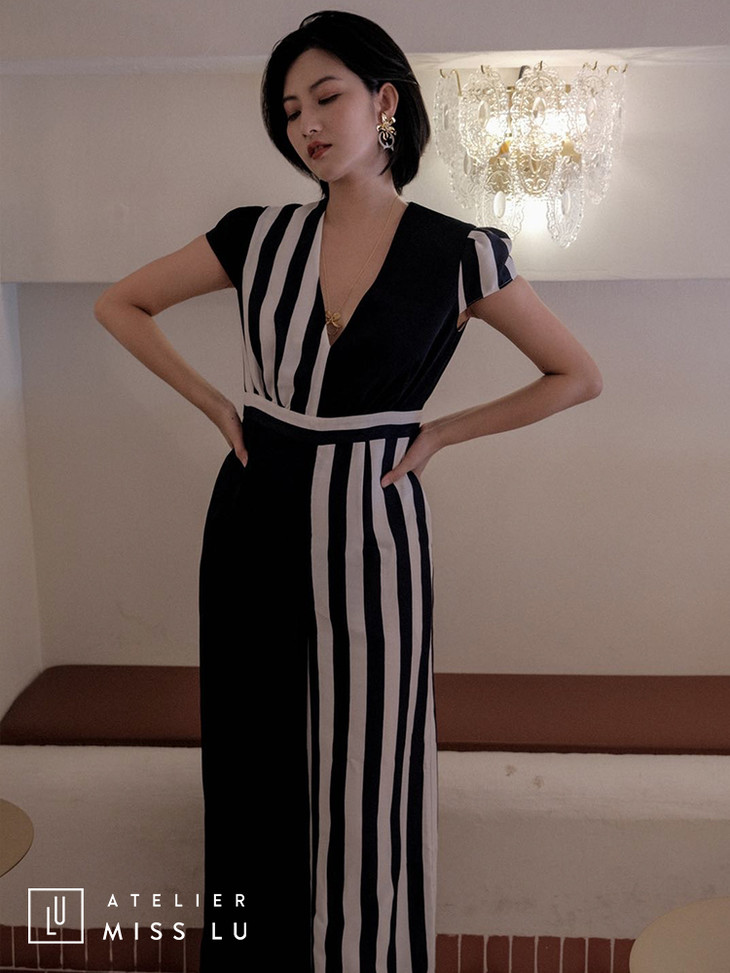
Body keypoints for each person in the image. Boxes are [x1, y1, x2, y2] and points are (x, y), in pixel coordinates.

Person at [94, 9, 602, 972]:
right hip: (254, 513)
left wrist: (441, 431)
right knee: (250, 753)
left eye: (326, 97)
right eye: (290, 111)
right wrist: (215, 403)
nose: (308, 125)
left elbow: (576, 374)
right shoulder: (254, 236)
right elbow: (120, 302)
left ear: (385, 102)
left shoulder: (460, 250)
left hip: (374, 522)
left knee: (373, 755)